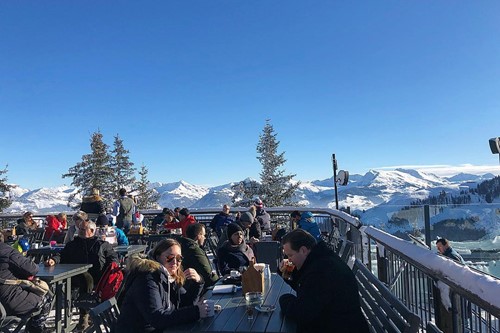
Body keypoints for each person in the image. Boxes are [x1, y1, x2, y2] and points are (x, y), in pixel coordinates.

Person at [279, 229, 369, 333]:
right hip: (339, 323)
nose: (288, 260)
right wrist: (287, 272)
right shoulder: (321, 259)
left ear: (303, 250)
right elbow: (307, 288)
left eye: (290, 255)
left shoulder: (322, 271)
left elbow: (303, 312)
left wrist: (284, 299)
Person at [115, 239, 208, 332]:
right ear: (158, 257)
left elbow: (185, 303)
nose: (175, 262)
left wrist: (198, 282)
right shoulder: (147, 278)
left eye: (179, 258)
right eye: (170, 257)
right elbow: (157, 319)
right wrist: (196, 312)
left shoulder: (169, 276)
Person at [46, 220, 119, 331]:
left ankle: (85, 314)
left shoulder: (102, 245)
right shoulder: (72, 244)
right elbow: (61, 255)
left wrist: (110, 270)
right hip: (74, 277)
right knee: (81, 279)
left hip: (97, 278)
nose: (79, 231)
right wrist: (53, 260)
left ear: (92, 231)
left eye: (83, 229)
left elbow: (113, 260)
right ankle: (79, 315)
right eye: (79, 229)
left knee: (87, 278)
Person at [0, 241, 53, 333]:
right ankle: (36, 330)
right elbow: (32, 269)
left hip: (2, 303)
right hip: (9, 301)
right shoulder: (7, 251)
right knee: (46, 300)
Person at [177, 223, 219, 289]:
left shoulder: (181, 246)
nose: (205, 238)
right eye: (204, 235)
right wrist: (219, 281)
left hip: (183, 285)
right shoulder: (195, 250)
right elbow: (207, 273)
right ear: (198, 236)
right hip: (196, 287)